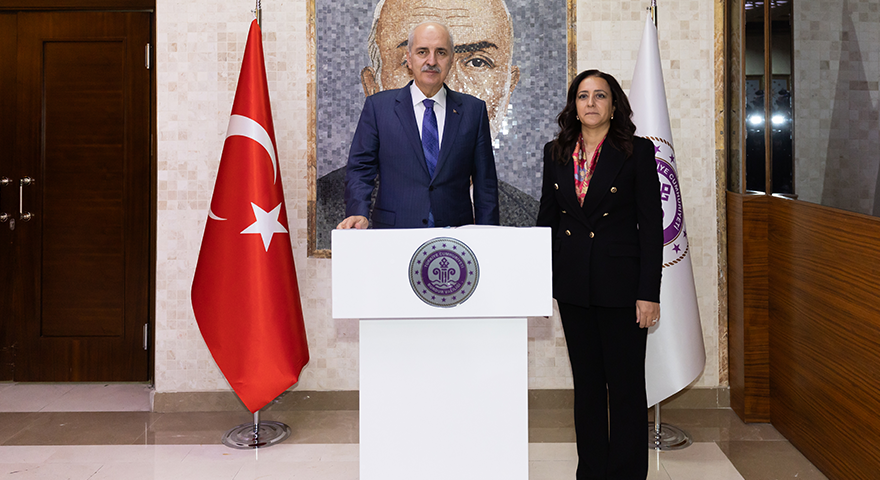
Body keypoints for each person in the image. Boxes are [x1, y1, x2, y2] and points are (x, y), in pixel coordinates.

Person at [536, 69, 663, 479]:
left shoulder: (636, 152)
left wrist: (649, 292)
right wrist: (539, 282)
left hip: (622, 287)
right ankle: (590, 472)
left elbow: (652, 227)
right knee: (588, 388)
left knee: (625, 389)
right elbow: (548, 220)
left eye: (600, 95)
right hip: (574, 286)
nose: (591, 103)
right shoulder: (555, 152)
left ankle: (626, 473)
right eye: (583, 95)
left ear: (613, 105)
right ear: (574, 105)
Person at [336, 21, 499, 229]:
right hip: (394, 233)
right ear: (409, 59)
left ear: (450, 60)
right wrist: (358, 212)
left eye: (441, 52)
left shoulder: (473, 111)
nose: (432, 61)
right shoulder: (378, 108)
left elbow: (485, 184)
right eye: (422, 52)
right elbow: (360, 169)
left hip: (454, 238)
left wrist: (488, 235)